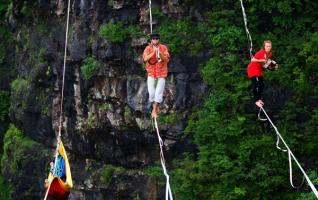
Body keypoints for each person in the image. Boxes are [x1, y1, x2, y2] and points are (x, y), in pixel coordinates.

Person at [143, 33, 170, 118]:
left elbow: (166, 59)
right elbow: (145, 59)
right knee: (151, 94)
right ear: (151, 40)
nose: (155, 40)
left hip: (161, 73)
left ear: (159, 39)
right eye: (153, 39)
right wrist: (154, 52)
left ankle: (154, 110)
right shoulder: (148, 48)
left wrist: (159, 53)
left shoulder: (163, 48)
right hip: (151, 73)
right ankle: (156, 106)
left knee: (158, 93)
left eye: (157, 39)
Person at [247, 40, 278, 108]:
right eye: (267, 46)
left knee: (262, 85)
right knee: (256, 85)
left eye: (269, 46)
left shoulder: (269, 54)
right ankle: (256, 101)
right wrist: (262, 60)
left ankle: (259, 98)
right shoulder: (261, 52)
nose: (268, 47)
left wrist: (272, 66)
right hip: (252, 69)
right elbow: (252, 60)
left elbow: (264, 64)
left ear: (271, 46)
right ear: (264, 46)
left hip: (259, 69)